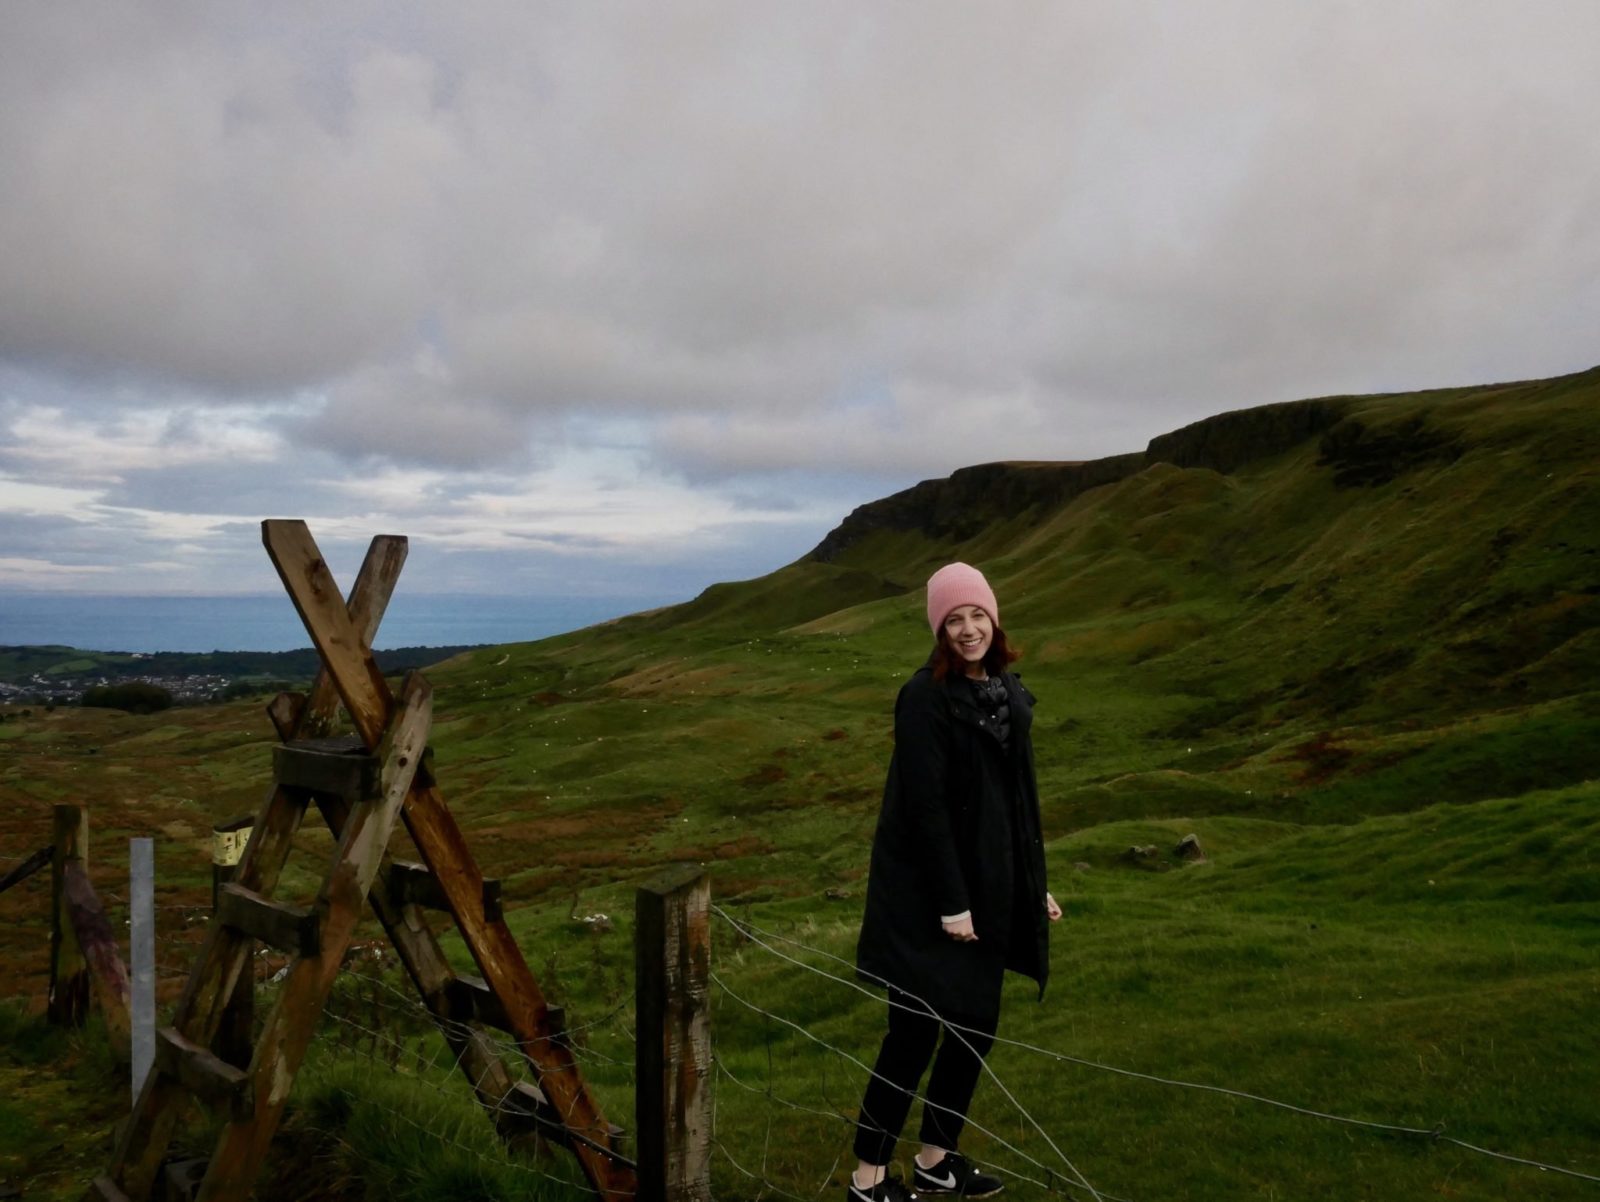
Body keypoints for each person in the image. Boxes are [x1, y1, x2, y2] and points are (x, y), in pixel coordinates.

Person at [848, 562, 1062, 1202]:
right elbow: (925, 810)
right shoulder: (924, 698)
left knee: (976, 1028)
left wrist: (1031, 883)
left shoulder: (1006, 693)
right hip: (926, 902)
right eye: (953, 620)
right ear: (938, 631)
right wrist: (951, 905)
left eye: (976, 615)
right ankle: (868, 1179)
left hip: (990, 893)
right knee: (911, 1035)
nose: (967, 629)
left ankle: (937, 1160)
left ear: (994, 619)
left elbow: (1018, 800)